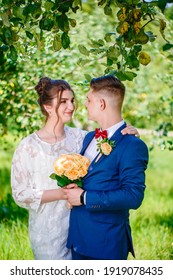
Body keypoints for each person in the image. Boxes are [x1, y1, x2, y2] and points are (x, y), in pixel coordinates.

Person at [11, 76, 140, 260]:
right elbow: (20, 194)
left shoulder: (82, 138)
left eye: (72, 100)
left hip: (84, 230)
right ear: (47, 107)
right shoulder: (28, 147)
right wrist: (62, 193)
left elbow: (113, 143)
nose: (71, 106)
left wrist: (131, 131)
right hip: (49, 230)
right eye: (63, 101)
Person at [65, 75, 149, 260]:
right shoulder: (89, 138)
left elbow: (133, 196)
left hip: (106, 244)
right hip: (78, 239)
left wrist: (84, 197)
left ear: (101, 104)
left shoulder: (132, 145)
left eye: (89, 100)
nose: (85, 104)